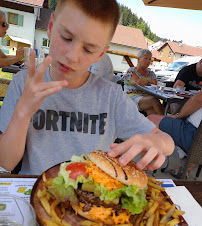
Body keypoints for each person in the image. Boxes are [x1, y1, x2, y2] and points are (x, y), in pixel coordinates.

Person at [0, 0, 174, 175]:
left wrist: (159, 143)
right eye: (66, 38)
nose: (72, 56)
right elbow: (6, 162)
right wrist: (23, 112)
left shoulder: (111, 96)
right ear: (51, 27)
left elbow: (165, 140)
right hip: (35, 192)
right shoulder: (24, 83)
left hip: (92, 198)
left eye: (88, 49)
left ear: (100, 54)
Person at [148, 90, 202, 178]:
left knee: (151, 119)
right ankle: (186, 167)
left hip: (193, 134)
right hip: (198, 144)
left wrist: (178, 116)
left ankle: (147, 164)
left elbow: (197, 100)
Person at [123, 49, 164, 115]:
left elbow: (155, 86)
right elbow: (136, 83)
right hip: (132, 97)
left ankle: (158, 123)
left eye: (150, 59)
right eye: (145, 58)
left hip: (146, 99)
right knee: (154, 100)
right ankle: (166, 122)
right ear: (138, 59)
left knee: (154, 112)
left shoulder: (151, 73)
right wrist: (148, 83)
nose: (148, 61)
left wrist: (146, 83)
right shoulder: (132, 70)